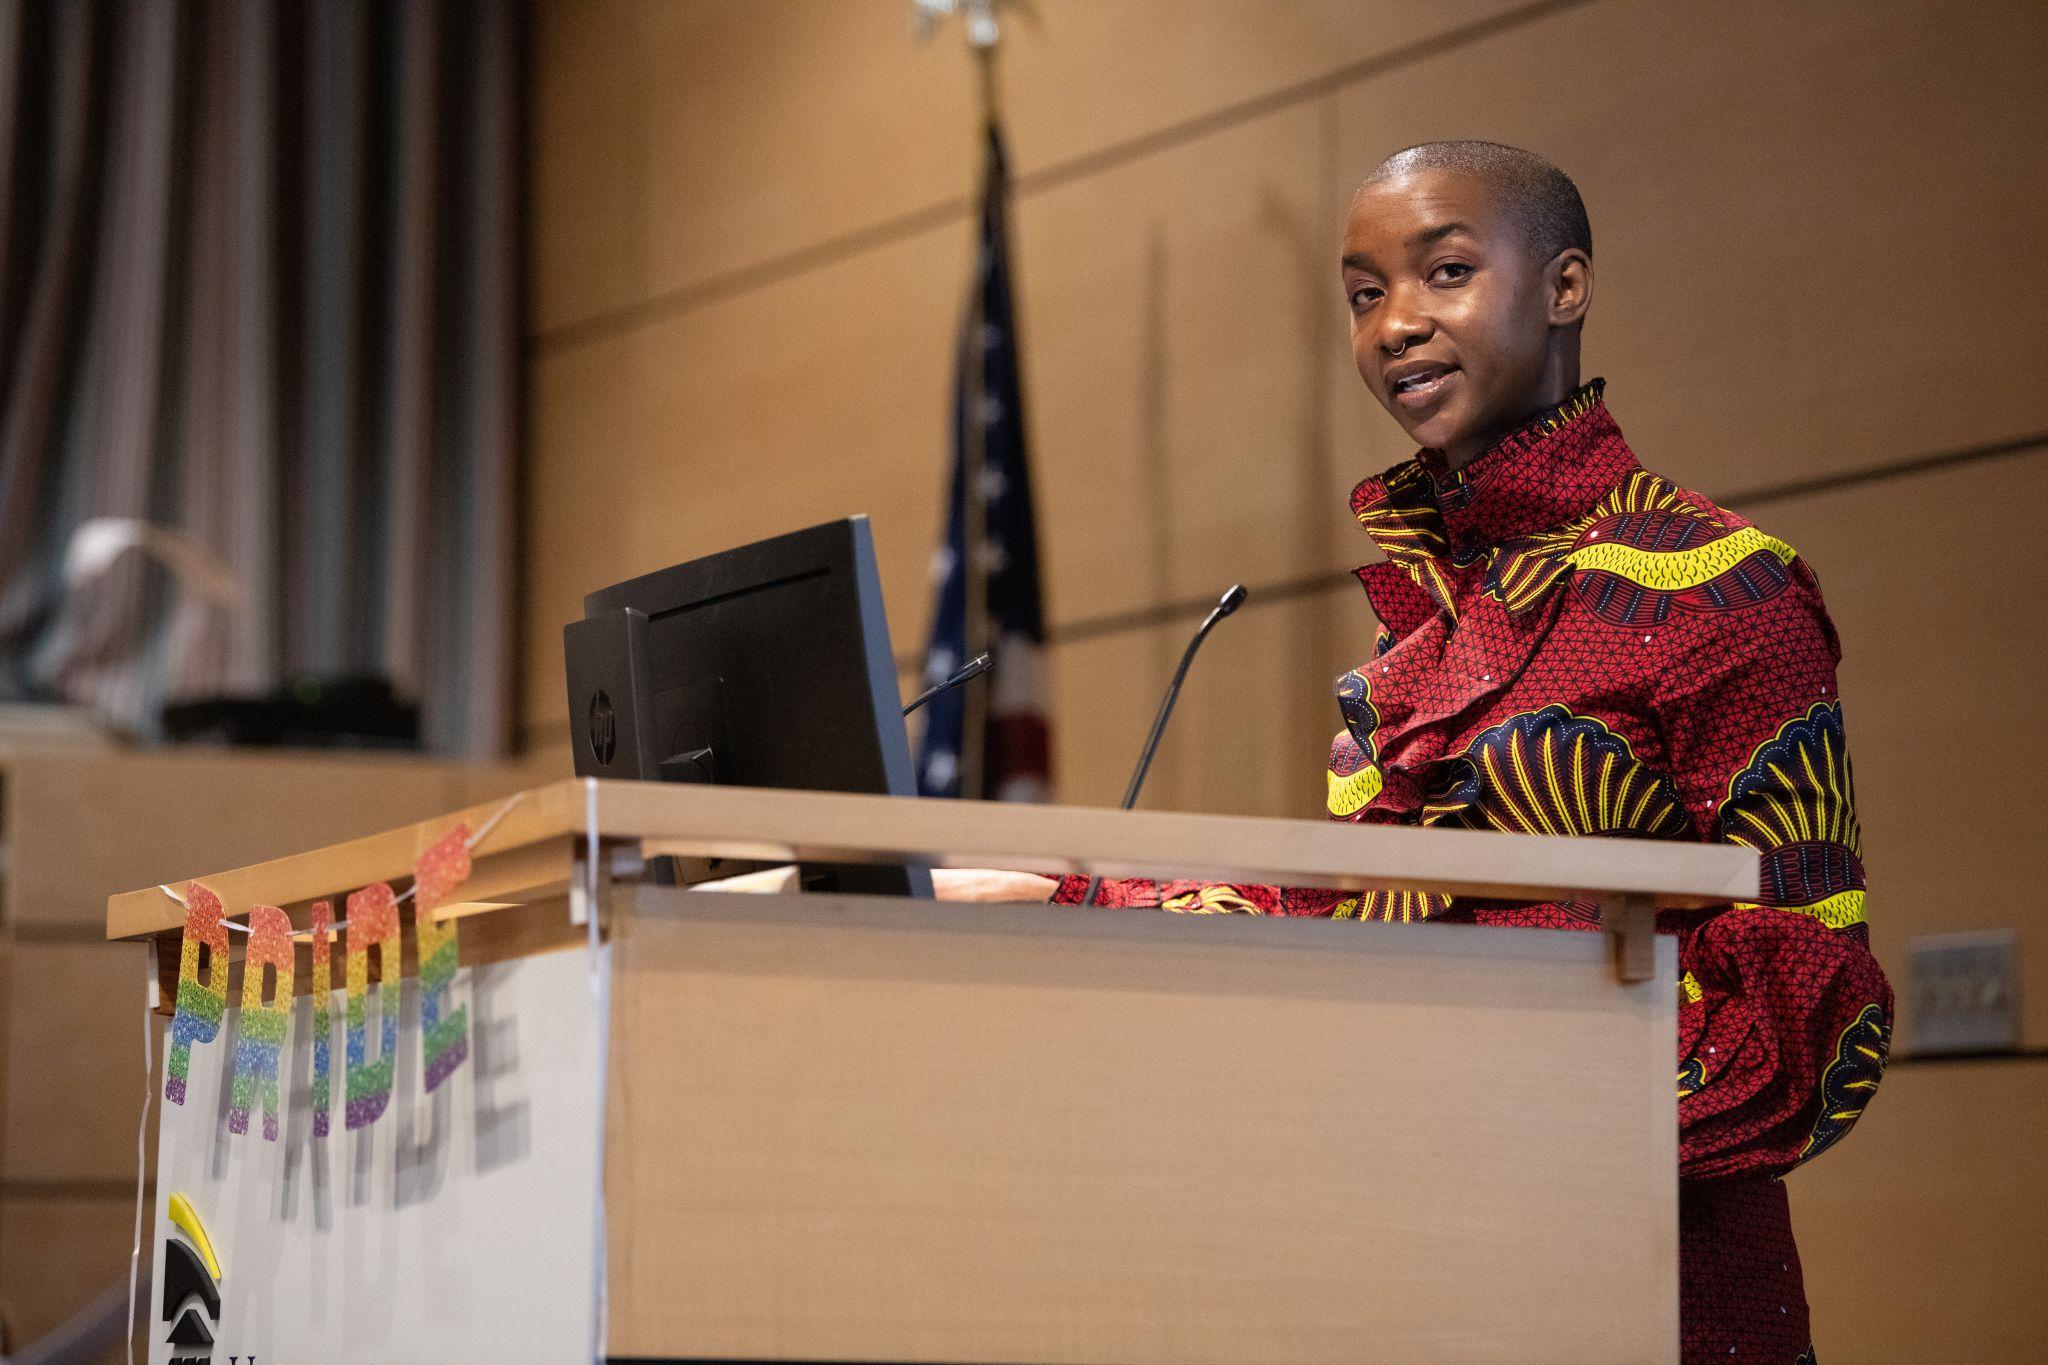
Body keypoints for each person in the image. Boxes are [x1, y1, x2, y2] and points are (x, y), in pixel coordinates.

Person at [939, 140, 1891, 1364]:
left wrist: (1465, 1073)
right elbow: (1364, 940)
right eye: (1360, 294)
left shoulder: (1720, 589)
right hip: (1419, 1284)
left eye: (1442, 272)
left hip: (1655, 1302)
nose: (1394, 324)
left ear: (1563, 287)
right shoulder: (1415, 641)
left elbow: (1810, 1027)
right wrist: (1077, 899)